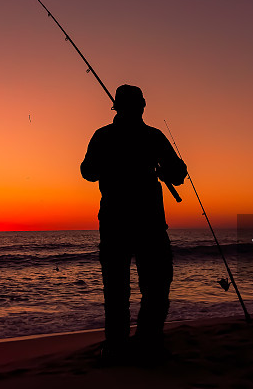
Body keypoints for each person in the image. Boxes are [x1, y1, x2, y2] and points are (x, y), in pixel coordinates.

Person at [81, 84, 187, 365]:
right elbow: (178, 175)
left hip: (117, 223)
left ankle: (119, 348)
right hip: (147, 222)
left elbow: (87, 172)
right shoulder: (153, 137)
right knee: (155, 287)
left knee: (118, 290)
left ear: (117, 107)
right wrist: (169, 170)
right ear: (142, 105)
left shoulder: (104, 135)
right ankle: (145, 345)